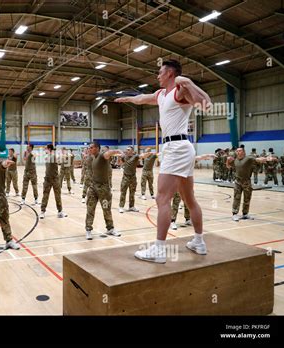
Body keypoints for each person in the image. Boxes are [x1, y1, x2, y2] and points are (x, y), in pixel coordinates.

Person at [116, 59, 211, 263]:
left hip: (177, 147)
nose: (157, 75)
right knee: (189, 198)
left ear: (170, 73)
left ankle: (159, 250)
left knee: (162, 198)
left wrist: (188, 82)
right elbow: (143, 98)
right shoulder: (161, 94)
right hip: (177, 148)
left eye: (160, 72)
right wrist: (129, 99)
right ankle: (199, 241)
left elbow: (207, 105)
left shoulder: (180, 90)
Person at [85, 141, 122, 240]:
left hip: (103, 188)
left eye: (92, 147)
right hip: (93, 187)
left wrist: (116, 151)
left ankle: (110, 228)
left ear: (97, 148)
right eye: (89, 147)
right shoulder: (92, 158)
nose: (90, 149)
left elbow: (108, 153)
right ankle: (88, 230)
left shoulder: (102, 156)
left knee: (106, 208)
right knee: (90, 208)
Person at [226, 147, 268, 221]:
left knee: (247, 199)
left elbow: (257, 159)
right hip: (238, 182)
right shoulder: (235, 160)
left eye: (240, 151)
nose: (238, 152)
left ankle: (245, 214)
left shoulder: (248, 159)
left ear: (244, 152)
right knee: (236, 198)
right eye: (237, 151)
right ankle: (234, 214)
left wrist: (265, 159)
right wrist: (227, 161)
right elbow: (228, 166)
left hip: (247, 182)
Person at [119, 146, 152, 213]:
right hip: (125, 177)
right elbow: (120, 163)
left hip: (133, 178)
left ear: (132, 151)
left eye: (128, 150)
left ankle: (131, 206)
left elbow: (142, 156)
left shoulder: (135, 156)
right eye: (126, 149)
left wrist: (149, 153)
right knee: (123, 192)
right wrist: (119, 158)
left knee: (132, 193)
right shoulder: (124, 157)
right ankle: (121, 207)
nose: (126, 150)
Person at [40, 144, 68, 220]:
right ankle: (42, 211)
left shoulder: (54, 156)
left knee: (57, 196)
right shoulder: (47, 156)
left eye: (46, 148)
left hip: (55, 179)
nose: (44, 150)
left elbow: (59, 158)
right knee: (45, 195)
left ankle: (60, 211)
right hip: (47, 179)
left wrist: (63, 154)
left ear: (49, 149)